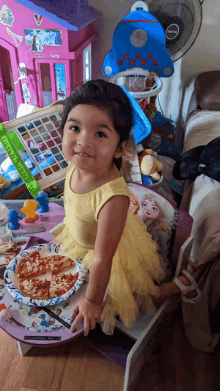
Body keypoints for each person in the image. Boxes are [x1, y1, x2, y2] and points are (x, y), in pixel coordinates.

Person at [54, 79, 200, 336]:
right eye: (74, 127)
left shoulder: (114, 198)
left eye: (100, 133)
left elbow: (103, 259)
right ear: (63, 130)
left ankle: (177, 286)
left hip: (111, 255)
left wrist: (92, 302)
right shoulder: (76, 163)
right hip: (85, 240)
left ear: (120, 148)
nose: (82, 141)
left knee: (126, 303)